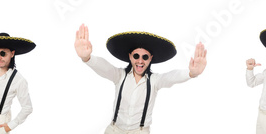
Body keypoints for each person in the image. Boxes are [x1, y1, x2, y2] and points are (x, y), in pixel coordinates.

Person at [74, 24, 207, 133]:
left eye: (145, 57)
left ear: (150, 59)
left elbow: (171, 77)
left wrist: (191, 73)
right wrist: (87, 58)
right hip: (114, 130)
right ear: (130, 56)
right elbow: (105, 68)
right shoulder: (119, 76)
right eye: (136, 56)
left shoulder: (154, 81)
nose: (140, 61)